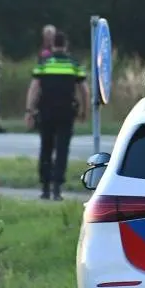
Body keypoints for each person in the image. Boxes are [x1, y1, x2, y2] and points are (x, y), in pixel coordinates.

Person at [24, 30, 89, 200]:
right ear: (65, 45)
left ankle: (45, 188)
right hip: (66, 112)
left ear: (52, 44)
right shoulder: (73, 64)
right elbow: (84, 90)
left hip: (46, 111)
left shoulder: (43, 63)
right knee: (62, 149)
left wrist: (29, 111)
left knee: (46, 148)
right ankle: (57, 189)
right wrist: (84, 110)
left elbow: (34, 88)